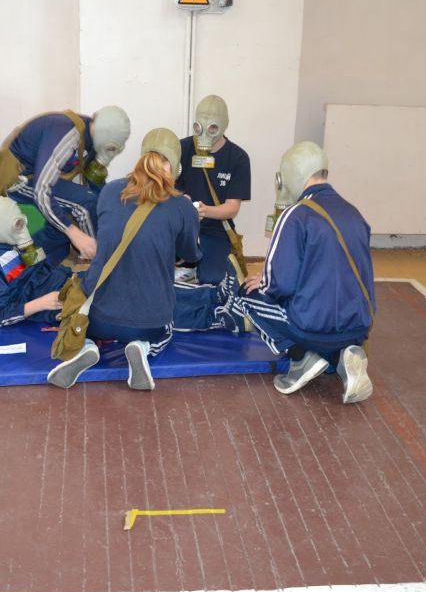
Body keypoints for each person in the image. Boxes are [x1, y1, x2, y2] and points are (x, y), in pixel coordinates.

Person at [47, 128, 201, 391]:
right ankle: (142, 347)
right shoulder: (182, 206)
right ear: (176, 165)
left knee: (88, 311)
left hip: (98, 318)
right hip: (149, 323)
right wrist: (191, 221)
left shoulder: (109, 191)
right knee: (166, 327)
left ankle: (86, 346)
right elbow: (191, 255)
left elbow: (110, 239)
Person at [232, 141, 375, 402]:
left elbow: (279, 286)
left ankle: (301, 357)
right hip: (357, 327)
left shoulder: (296, 215)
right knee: (324, 310)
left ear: (289, 175)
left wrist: (264, 280)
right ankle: (346, 354)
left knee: (245, 293)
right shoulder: (354, 213)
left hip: (312, 328)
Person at [0, 107, 131, 266]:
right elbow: (42, 191)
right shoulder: (67, 133)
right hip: (18, 179)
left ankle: (31, 259)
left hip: (39, 177)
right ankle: (95, 259)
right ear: (105, 136)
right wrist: (74, 233)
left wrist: (111, 208)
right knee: (84, 204)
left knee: (61, 237)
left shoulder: (91, 135)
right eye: (110, 148)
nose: (109, 154)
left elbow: (95, 185)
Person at [176, 95, 251, 283]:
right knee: (158, 269)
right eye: (199, 127)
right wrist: (180, 201)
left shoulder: (238, 158)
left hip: (215, 230)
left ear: (224, 125)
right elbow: (163, 188)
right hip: (182, 228)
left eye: (212, 128)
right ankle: (187, 268)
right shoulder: (181, 149)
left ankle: (198, 269)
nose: (205, 134)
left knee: (212, 279)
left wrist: (205, 211)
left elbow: (232, 207)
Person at [0, 196, 70, 327]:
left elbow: (40, 267)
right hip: (42, 302)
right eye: (17, 224)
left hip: (57, 282)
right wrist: (41, 303)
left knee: (94, 284)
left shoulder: (13, 240)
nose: (21, 227)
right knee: (89, 311)